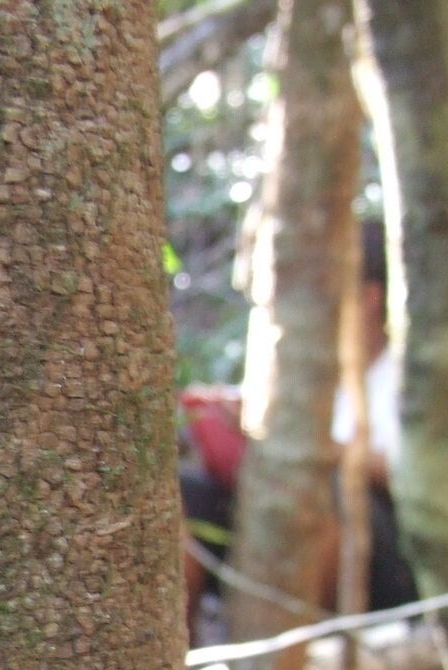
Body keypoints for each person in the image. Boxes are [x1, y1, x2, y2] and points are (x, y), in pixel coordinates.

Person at [178, 220, 417, 637]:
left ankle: (294, 660)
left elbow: (411, 476)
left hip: (377, 556)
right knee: (184, 498)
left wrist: (322, 448)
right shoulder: (302, 369)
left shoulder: (409, 380)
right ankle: (180, 657)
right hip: (265, 521)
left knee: (313, 492)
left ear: (368, 298)